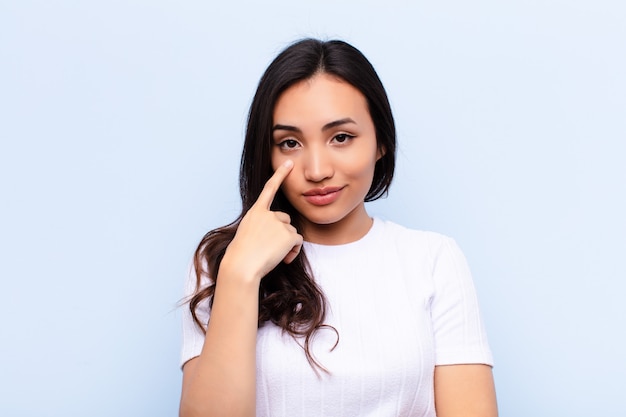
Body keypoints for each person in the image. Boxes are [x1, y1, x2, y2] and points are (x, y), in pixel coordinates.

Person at [179, 38, 497, 417]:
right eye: (290, 142)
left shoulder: (433, 260)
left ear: (381, 141)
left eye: (341, 137)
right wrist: (240, 274)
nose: (317, 170)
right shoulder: (221, 261)